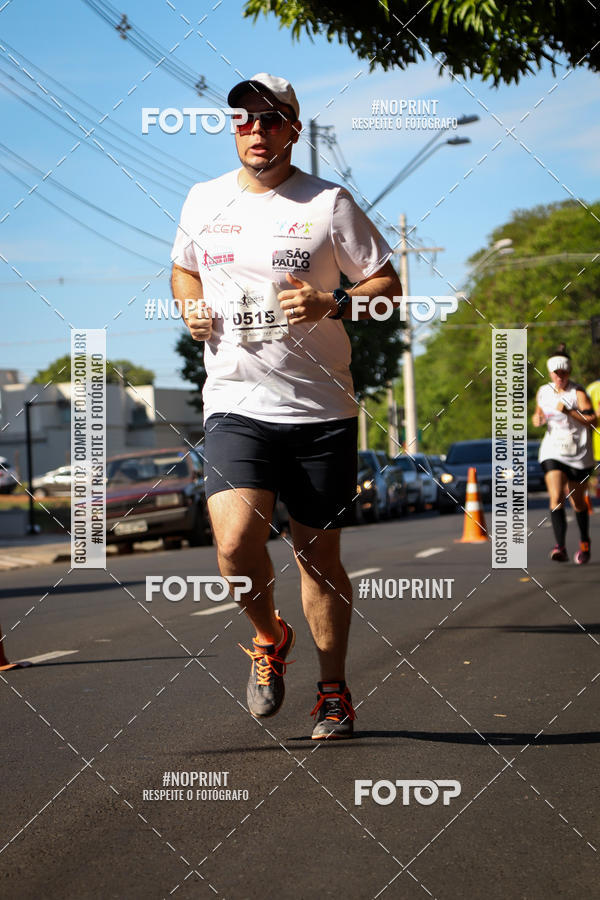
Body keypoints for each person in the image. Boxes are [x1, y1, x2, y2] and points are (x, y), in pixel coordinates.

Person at [170, 73, 402, 739]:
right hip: (235, 401)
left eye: (270, 119)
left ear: (293, 128)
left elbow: (388, 289)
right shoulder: (203, 199)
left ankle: (333, 690)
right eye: (243, 119)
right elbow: (184, 268)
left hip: (319, 410)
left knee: (316, 559)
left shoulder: (328, 203)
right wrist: (190, 305)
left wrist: (335, 301)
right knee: (233, 544)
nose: (256, 130)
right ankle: (270, 637)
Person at [532, 344, 597, 563]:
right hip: (553, 450)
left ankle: (584, 542)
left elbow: (593, 420)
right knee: (556, 496)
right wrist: (538, 420)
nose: (560, 377)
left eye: (564, 373)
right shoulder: (543, 391)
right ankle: (560, 546)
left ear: (569, 372)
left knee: (578, 503)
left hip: (579, 453)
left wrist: (570, 411)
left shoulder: (578, 393)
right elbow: (538, 415)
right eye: (556, 373)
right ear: (550, 373)